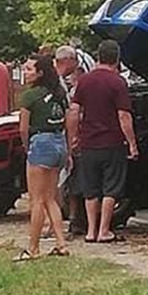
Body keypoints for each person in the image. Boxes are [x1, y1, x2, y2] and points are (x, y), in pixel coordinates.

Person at [68, 40, 138, 244]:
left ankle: (90, 231)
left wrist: (74, 136)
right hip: (112, 141)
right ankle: (104, 230)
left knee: (91, 188)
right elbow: (124, 115)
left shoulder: (84, 81)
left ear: (98, 56)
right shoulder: (118, 82)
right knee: (111, 187)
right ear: (117, 59)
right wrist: (132, 143)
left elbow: (74, 111)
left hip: (88, 142)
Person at [13, 54, 71, 261]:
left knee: (36, 199)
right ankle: (61, 243)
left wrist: (27, 146)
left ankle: (33, 247)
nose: (26, 72)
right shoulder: (59, 93)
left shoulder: (29, 96)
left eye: (29, 69)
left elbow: (23, 128)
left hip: (40, 142)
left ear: (40, 73)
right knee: (50, 198)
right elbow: (68, 119)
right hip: (59, 142)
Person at [54, 45, 86, 234]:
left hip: (68, 136)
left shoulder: (64, 84)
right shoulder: (58, 84)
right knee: (68, 179)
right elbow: (72, 113)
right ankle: (69, 219)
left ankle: (71, 220)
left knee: (71, 179)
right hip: (67, 136)